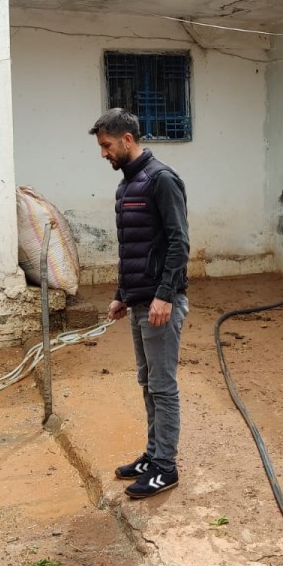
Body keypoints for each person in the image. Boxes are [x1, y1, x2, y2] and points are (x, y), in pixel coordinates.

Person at [90, 109, 190, 499]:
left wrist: (165, 295)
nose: (104, 154)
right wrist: (121, 294)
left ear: (127, 139)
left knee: (163, 386)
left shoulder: (161, 180)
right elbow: (131, 249)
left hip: (160, 303)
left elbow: (179, 242)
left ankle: (166, 467)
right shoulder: (127, 186)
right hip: (139, 302)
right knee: (147, 382)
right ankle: (153, 454)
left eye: (107, 145)